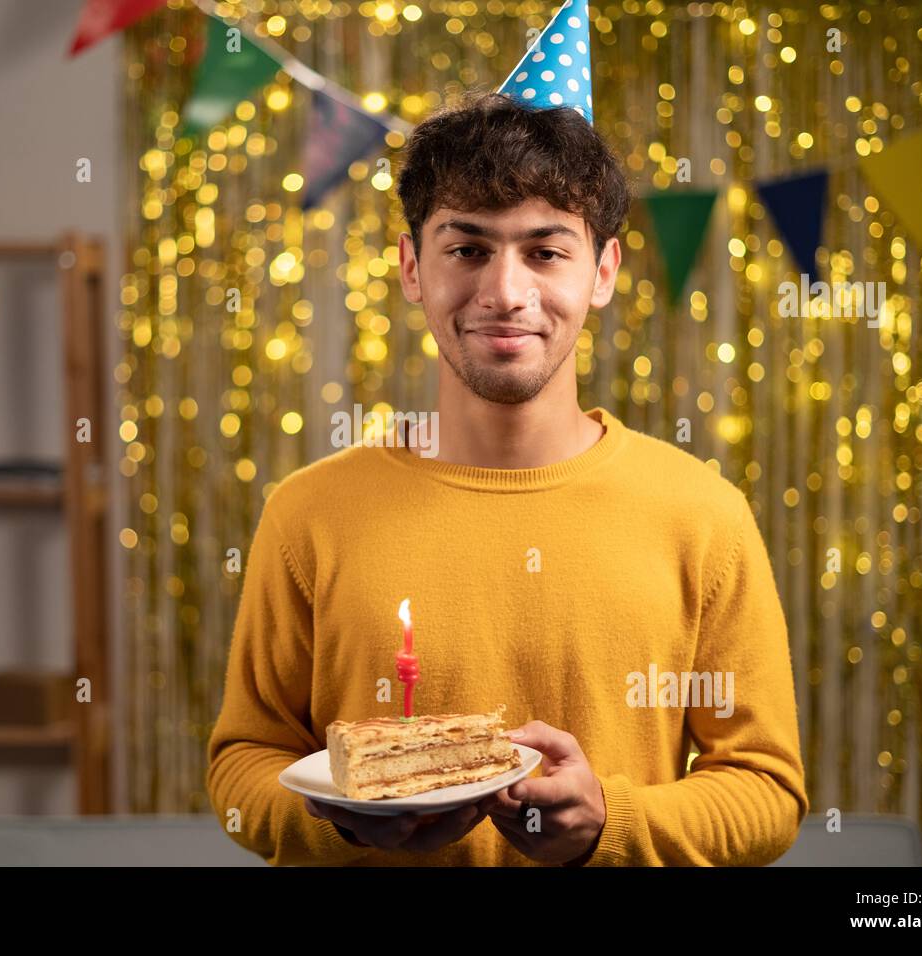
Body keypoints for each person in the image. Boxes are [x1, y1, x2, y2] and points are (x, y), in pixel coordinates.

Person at [205, 91, 808, 866]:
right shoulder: (308, 514)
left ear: (603, 271)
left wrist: (608, 824)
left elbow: (766, 791)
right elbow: (239, 767)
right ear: (412, 267)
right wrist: (338, 824)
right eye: (468, 249)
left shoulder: (703, 516)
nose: (506, 293)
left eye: (546, 252)